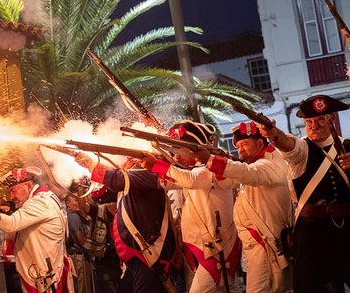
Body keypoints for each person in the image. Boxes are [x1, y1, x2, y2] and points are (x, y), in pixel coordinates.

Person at [259, 95, 350, 292]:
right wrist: (273, 134)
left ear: (331, 119)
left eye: (320, 120)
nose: (314, 126)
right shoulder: (302, 148)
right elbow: (287, 144)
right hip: (312, 235)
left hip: (349, 232)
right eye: (309, 122)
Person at [194, 121, 292, 292]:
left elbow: (248, 174)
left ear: (260, 143)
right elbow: (227, 182)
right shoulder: (256, 162)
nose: (240, 150)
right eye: (238, 146)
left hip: (266, 244)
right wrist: (215, 161)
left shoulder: (269, 163)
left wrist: (209, 159)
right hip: (255, 245)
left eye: (244, 144)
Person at [147, 120, 242, 292]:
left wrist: (157, 164)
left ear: (194, 149)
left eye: (179, 151)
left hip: (217, 245)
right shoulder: (194, 170)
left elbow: (191, 180)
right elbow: (169, 183)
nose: (176, 156)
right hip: (207, 244)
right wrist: (156, 164)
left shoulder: (210, 167)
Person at [75, 152, 182, 293]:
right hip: (135, 255)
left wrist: (92, 164)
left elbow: (117, 180)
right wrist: (94, 168)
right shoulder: (129, 181)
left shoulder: (147, 175)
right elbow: (100, 196)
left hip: (149, 254)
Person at [0, 166, 74, 293]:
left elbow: (11, 225)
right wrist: (0, 214)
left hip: (43, 276)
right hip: (44, 272)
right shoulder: (44, 198)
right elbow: (13, 232)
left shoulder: (38, 202)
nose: (11, 196)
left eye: (13, 190)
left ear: (28, 186)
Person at [65, 193, 93, 293]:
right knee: (83, 287)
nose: (78, 203)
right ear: (68, 203)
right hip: (79, 256)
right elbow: (79, 236)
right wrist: (92, 248)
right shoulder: (73, 216)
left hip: (73, 256)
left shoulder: (70, 216)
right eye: (75, 200)